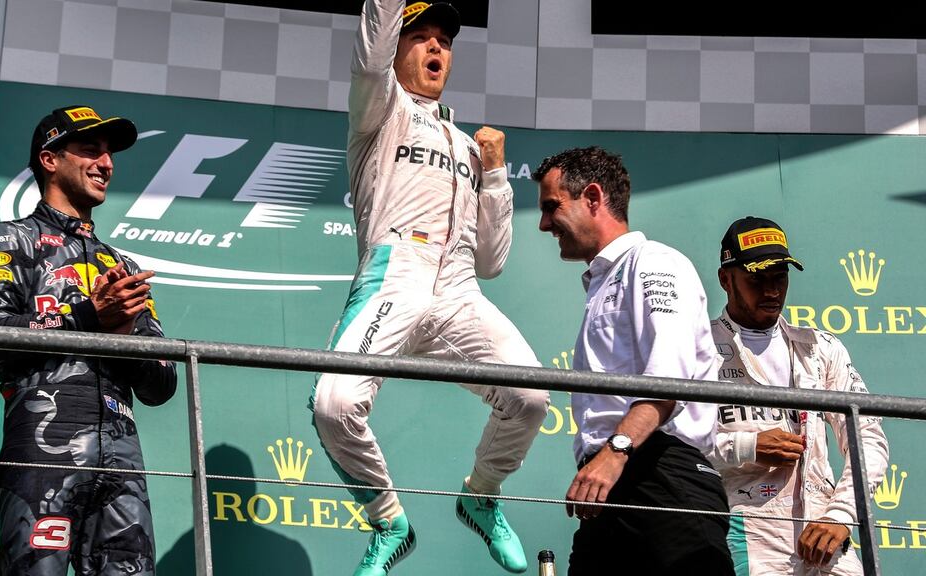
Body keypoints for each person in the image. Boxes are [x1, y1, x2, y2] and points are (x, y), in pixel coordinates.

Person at [310, 1, 549, 574]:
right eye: (420, 37)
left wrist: (493, 173)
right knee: (333, 404)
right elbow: (369, 62)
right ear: (395, 47)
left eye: (444, 40)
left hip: (460, 286)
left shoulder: (469, 145)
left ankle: (481, 495)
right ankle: (389, 519)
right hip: (396, 270)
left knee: (531, 398)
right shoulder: (380, 109)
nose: (436, 48)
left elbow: (492, 261)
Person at [0, 105, 177, 575]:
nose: (107, 163)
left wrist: (123, 336)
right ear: (50, 159)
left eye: (110, 154)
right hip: (42, 450)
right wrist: (88, 315)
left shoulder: (124, 269)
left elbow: (162, 386)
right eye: (90, 150)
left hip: (123, 457)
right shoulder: (4, 242)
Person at [532, 146, 733, 574]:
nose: (544, 224)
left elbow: (669, 379)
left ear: (591, 197)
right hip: (613, 485)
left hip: (662, 477)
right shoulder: (602, 280)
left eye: (552, 207)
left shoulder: (654, 262)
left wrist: (615, 451)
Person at [708, 216, 889, 575]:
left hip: (823, 523)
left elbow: (867, 436)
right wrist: (748, 446)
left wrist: (841, 514)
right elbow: (675, 446)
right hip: (747, 522)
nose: (771, 291)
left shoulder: (821, 348)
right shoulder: (698, 347)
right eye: (756, 279)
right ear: (726, 279)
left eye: (780, 277)